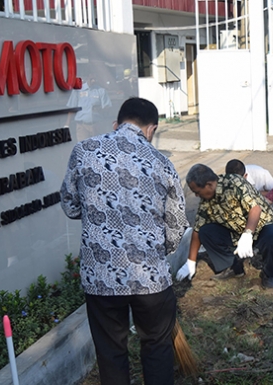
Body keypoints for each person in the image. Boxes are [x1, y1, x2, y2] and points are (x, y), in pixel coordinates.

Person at [60, 97, 189, 385]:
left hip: (101, 278)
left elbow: (69, 205)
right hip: (151, 278)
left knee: (111, 351)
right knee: (157, 346)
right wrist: (157, 250)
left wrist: (97, 219)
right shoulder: (162, 163)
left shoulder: (84, 151)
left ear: (117, 123)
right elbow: (177, 225)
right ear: (151, 129)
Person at [176, 164, 273, 288]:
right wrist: (190, 261)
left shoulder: (234, 182)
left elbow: (255, 208)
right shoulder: (206, 201)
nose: (196, 196)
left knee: (272, 236)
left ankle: (268, 273)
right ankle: (234, 268)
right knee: (205, 232)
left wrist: (248, 234)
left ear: (209, 185)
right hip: (237, 230)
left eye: (197, 192)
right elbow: (197, 230)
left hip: (262, 224)